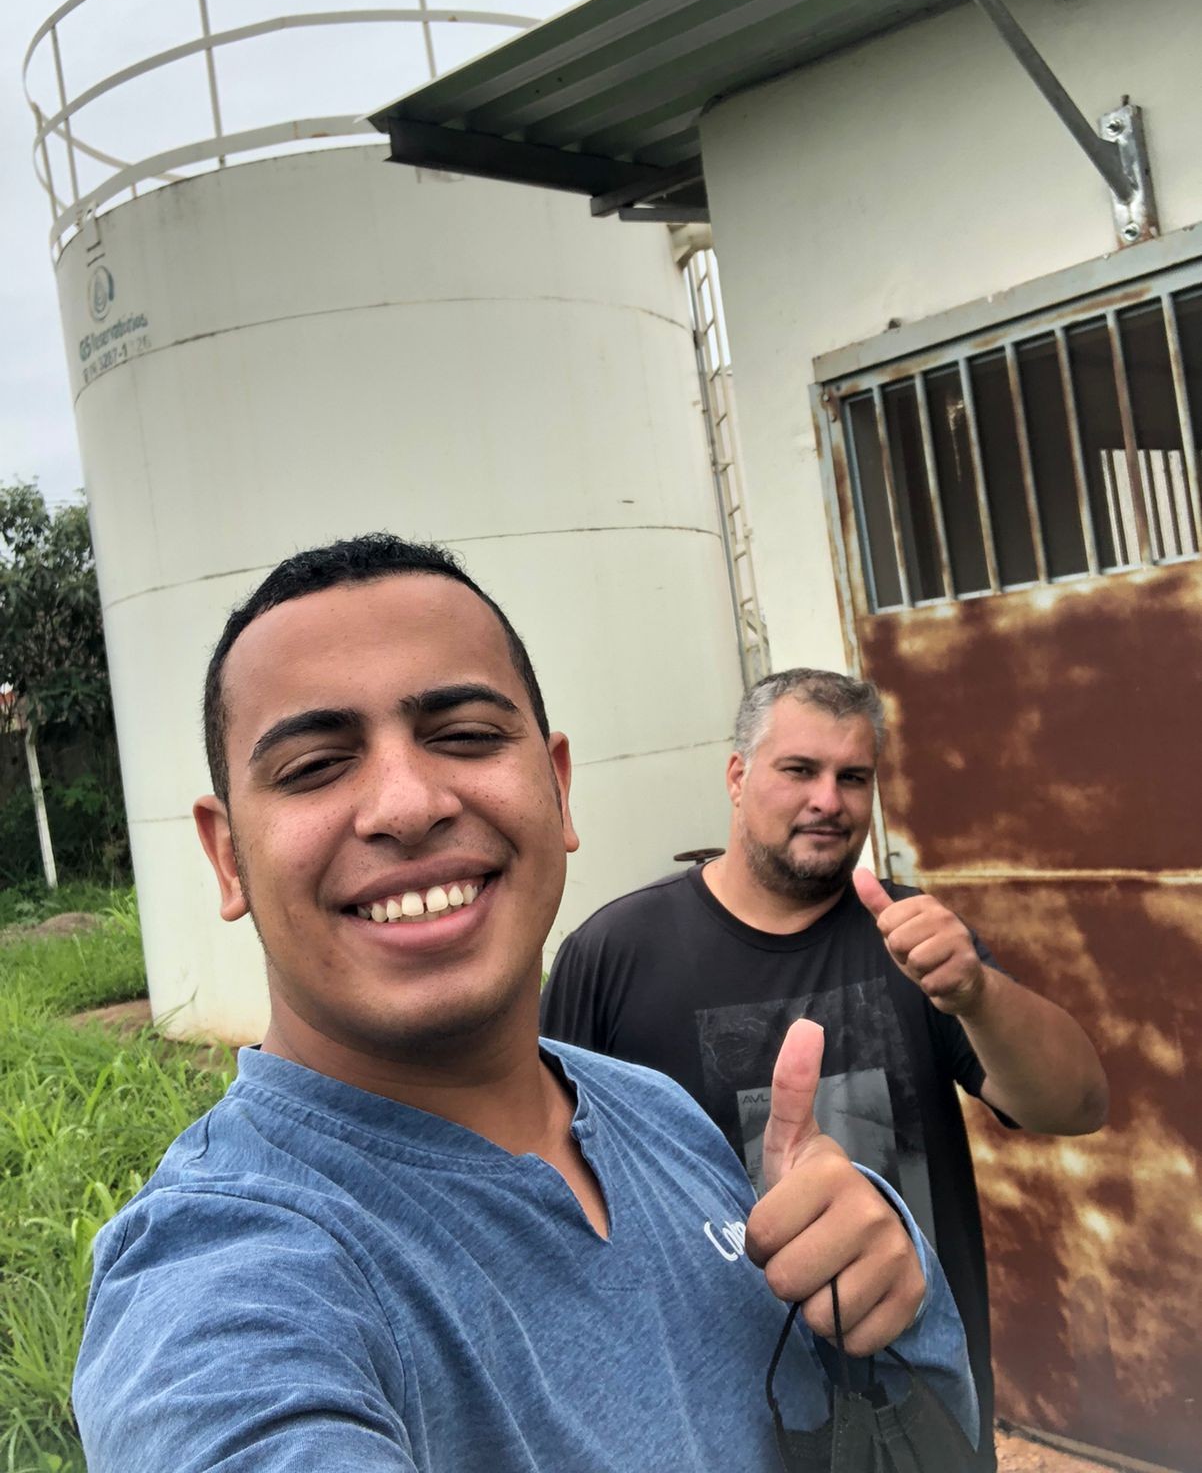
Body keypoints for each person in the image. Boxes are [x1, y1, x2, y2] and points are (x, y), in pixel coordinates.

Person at [73, 540, 976, 1473]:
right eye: (314, 765)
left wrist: (881, 1284)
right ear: (228, 858)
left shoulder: (655, 1113)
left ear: (559, 787)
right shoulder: (223, 1273)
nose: (407, 806)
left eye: (465, 736)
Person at [541, 666, 1108, 1472]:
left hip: (917, 1412)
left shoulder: (914, 939)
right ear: (737, 777)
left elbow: (1076, 1105)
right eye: (799, 770)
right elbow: (551, 1194)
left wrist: (977, 994)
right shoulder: (616, 954)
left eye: (853, 777)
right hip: (713, 1424)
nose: (828, 800)